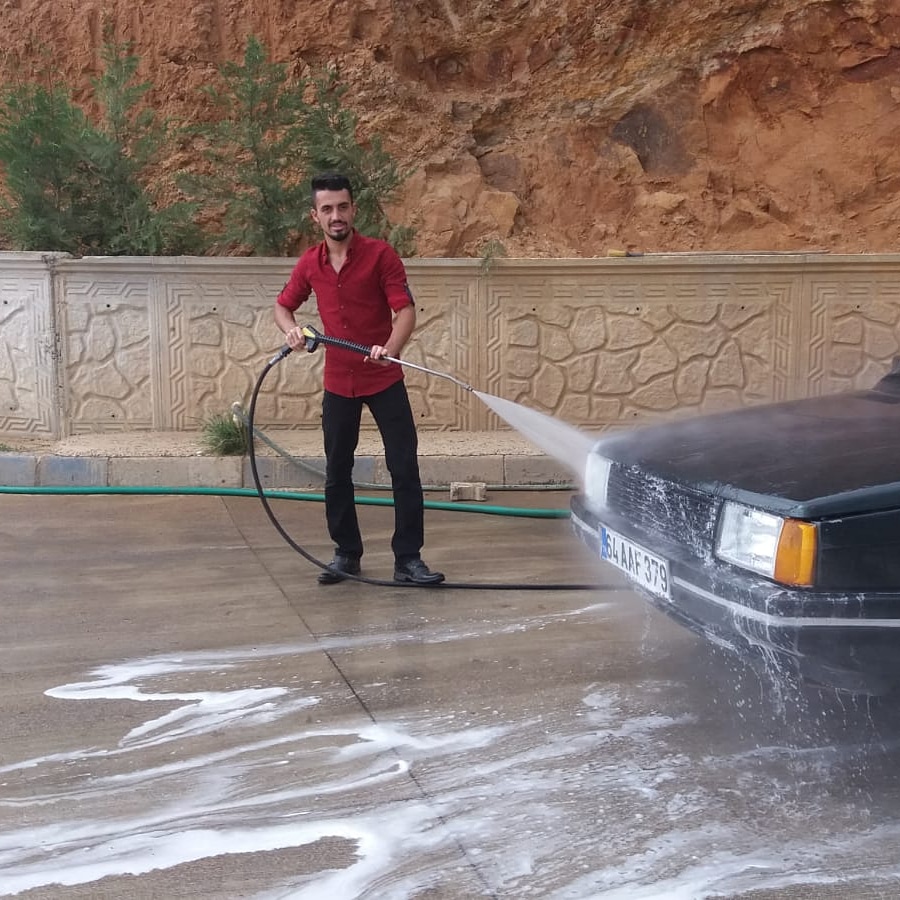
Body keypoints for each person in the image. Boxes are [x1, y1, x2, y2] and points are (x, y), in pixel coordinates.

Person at [274, 172, 445, 586]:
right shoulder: (309, 264)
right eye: (327, 209)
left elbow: (405, 310)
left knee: (403, 467)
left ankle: (408, 560)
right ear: (315, 216)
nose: (336, 216)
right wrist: (291, 331)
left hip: (384, 379)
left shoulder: (380, 255)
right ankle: (346, 554)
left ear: (353, 210)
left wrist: (390, 348)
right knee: (337, 470)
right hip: (338, 382)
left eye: (342, 207)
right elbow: (282, 306)